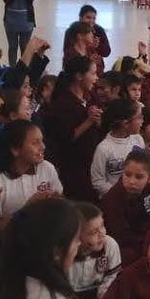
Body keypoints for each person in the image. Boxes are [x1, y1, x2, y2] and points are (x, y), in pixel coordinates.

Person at [0, 120, 64, 242]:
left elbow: (61, 204)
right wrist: (27, 209)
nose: (43, 147)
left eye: (42, 141)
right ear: (15, 149)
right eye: (35, 143)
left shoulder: (47, 168)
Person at [45, 56, 103, 202]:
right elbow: (66, 138)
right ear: (79, 76)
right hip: (74, 168)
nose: (96, 78)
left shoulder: (90, 98)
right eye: (93, 73)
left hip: (92, 163)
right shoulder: (63, 104)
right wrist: (89, 121)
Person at [101, 150, 150, 265]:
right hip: (124, 244)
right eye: (127, 174)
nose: (131, 181)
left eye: (139, 177)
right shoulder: (113, 198)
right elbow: (121, 235)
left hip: (147, 237)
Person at [68, 202, 121, 299]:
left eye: (102, 226)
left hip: (99, 294)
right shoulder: (67, 255)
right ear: (76, 236)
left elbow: (112, 277)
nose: (102, 233)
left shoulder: (109, 245)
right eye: (94, 232)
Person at [90, 98, 144, 198]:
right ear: (126, 124)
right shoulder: (104, 149)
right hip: (113, 200)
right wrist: (120, 194)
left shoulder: (138, 139)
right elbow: (98, 181)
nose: (142, 121)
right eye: (139, 117)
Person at [2, 0, 37, 66]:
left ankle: (23, 71)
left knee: (25, 47)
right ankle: (12, 70)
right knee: (12, 47)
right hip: (11, 21)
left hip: (26, 22)